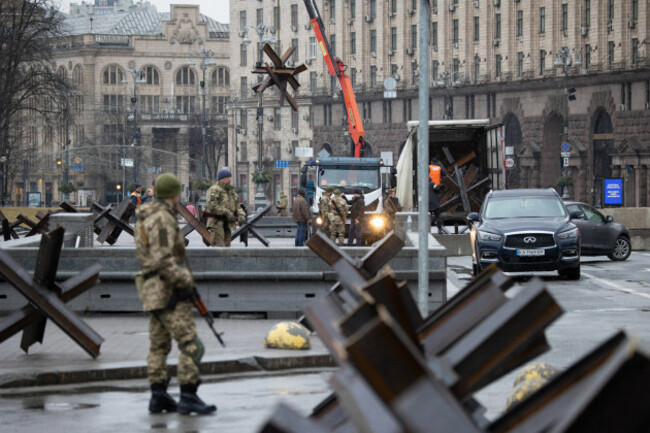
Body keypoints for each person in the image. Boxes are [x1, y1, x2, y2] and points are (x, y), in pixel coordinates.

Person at [134, 173, 216, 415]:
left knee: (158, 346)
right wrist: (186, 284)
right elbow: (164, 260)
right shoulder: (162, 219)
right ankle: (188, 394)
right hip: (168, 291)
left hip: (151, 290)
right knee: (192, 344)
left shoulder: (145, 217)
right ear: (173, 194)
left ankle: (158, 395)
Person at [204, 168, 246, 247]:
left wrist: (241, 215)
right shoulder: (214, 189)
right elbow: (212, 206)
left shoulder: (231, 191)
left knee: (227, 250)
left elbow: (237, 206)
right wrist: (226, 212)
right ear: (221, 178)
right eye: (227, 177)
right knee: (220, 249)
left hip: (228, 224)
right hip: (217, 223)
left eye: (230, 177)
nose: (229, 179)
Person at [428, 159, 448, 234]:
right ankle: (439, 229)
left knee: (428, 216)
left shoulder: (428, 167)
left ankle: (427, 230)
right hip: (436, 187)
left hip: (429, 192)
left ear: (431, 162)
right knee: (437, 215)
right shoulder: (439, 168)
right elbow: (445, 175)